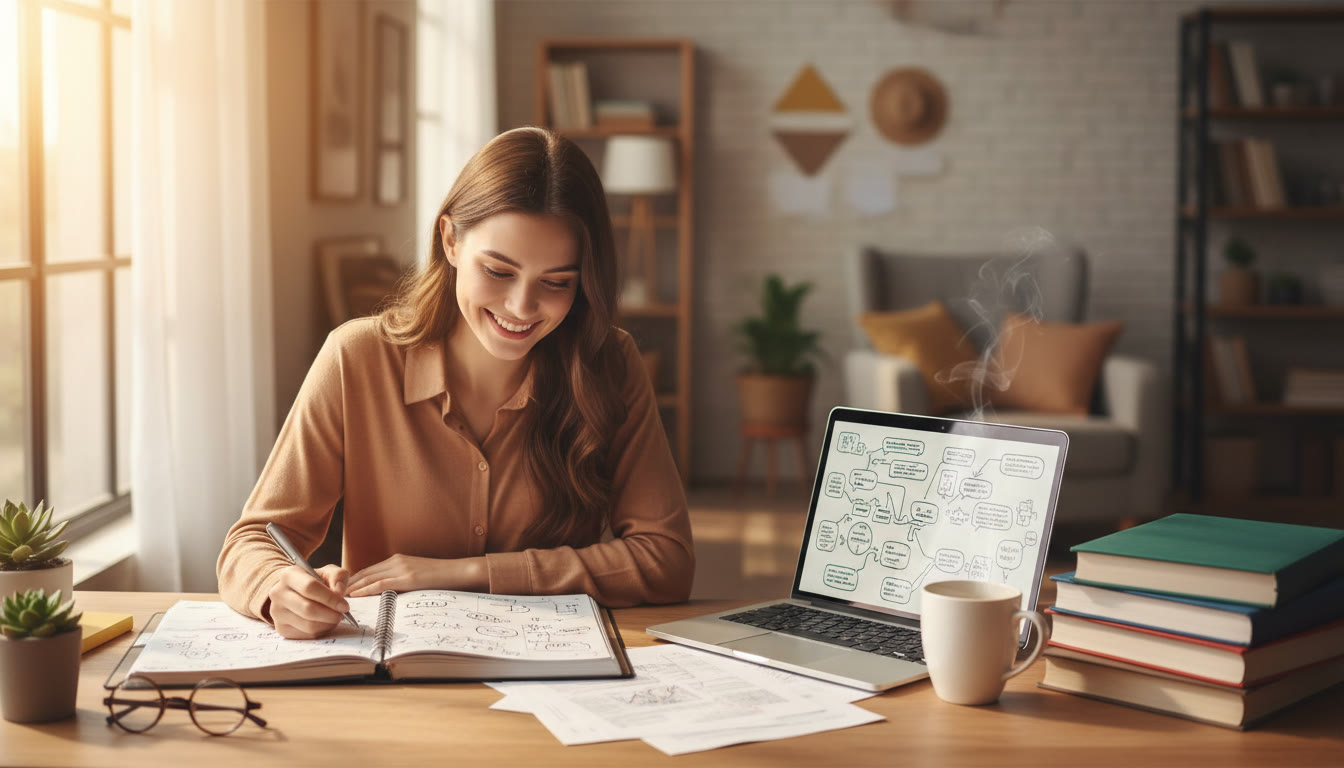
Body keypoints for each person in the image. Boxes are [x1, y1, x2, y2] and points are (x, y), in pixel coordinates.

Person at [217, 127, 695, 639]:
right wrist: (279, 587)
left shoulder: (610, 364)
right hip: (391, 680)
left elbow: (665, 559)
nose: (521, 308)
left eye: (557, 282)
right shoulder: (357, 358)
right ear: (449, 240)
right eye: (498, 270)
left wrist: (466, 573)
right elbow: (253, 541)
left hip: (554, 675)